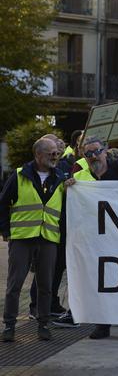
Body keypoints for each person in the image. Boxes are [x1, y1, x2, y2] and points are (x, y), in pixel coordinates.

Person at [64, 136, 118, 339]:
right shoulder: (79, 176)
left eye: (97, 151)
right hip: (95, 240)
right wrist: (68, 188)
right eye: (88, 153)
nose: (94, 156)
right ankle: (102, 325)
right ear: (84, 156)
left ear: (105, 151)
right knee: (100, 283)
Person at [1, 138, 65, 342]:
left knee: (46, 285)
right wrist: (5, 231)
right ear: (38, 155)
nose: (55, 157)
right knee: (15, 285)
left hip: (48, 238)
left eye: (57, 153)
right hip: (22, 238)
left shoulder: (60, 177)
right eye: (51, 153)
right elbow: (3, 203)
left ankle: (43, 324)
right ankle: (9, 326)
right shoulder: (20, 175)